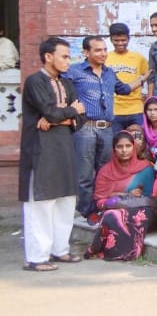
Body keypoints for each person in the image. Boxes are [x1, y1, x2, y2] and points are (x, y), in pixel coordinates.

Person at [19, 37, 86, 272]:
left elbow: (81, 116)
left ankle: (60, 250)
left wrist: (59, 118)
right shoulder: (35, 81)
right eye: (64, 56)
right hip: (41, 149)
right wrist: (66, 113)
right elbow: (50, 111)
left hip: (64, 148)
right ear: (48, 57)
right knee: (41, 203)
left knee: (65, 201)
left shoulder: (67, 83)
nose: (68, 61)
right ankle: (37, 258)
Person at [64, 35, 147, 218]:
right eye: (98, 50)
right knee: (85, 174)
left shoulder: (109, 73)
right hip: (85, 127)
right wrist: (66, 110)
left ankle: (102, 208)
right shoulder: (74, 71)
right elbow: (59, 87)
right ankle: (86, 212)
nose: (103, 54)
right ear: (86, 52)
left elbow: (124, 89)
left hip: (108, 128)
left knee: (105, 172)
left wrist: (143, 78)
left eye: (104, 50)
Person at [85, 131, 157, 261]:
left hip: (142, 208)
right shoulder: (105, 171)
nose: (124, 150)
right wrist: (122, 195)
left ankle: (125, 252)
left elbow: (151, 199)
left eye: (128, 146)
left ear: (134, 147)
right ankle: (108, 251)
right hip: (115, 207)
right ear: (114, 149)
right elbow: (100, 201)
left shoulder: (146, 168)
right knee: (112, 214)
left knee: (128, 215)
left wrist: (132, 199)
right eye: (119, 147)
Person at [106, 23, 149, 133]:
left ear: (128, 39)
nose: (120, 43)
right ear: (111, 39)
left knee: (138, 140)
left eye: (123, 40)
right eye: (116, 40)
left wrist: (148, 95)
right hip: (114, 110)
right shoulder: (105, 58)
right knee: (116, 141)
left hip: (136, 110)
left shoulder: (138, 58)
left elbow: (150, 75)